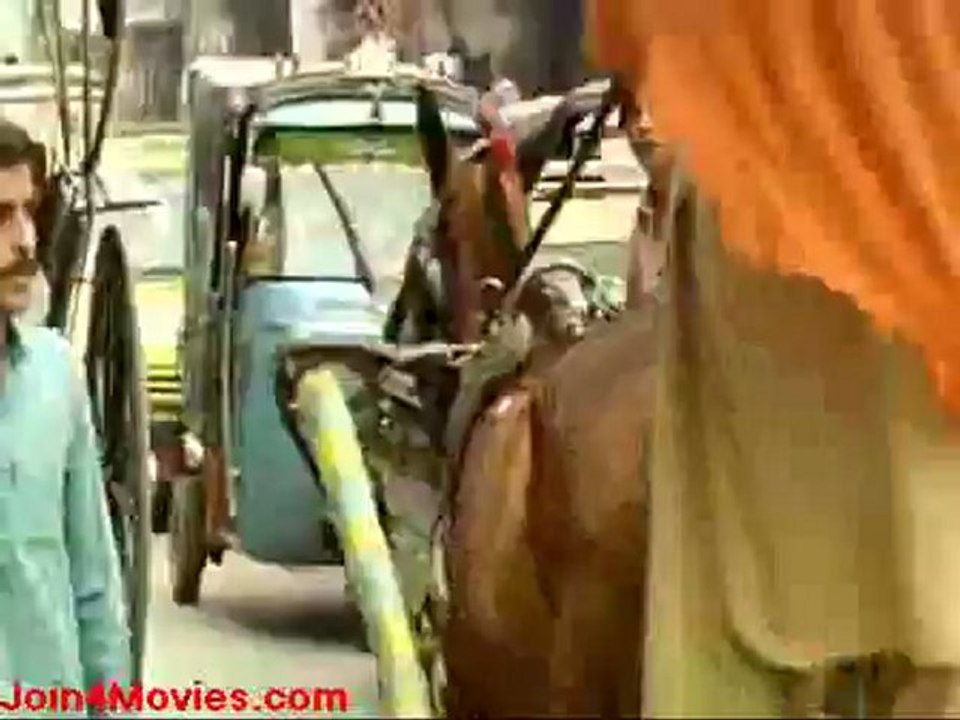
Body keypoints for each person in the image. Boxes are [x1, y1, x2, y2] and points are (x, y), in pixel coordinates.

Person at [0, 119, 130, 705]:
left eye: (29, 212)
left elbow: (94, 588)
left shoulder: (56, 377)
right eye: (0, 217)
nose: (26, 240)